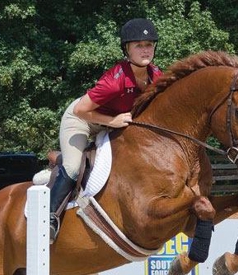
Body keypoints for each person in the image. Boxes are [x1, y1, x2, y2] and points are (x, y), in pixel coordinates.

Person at [49, 18, 163, 242]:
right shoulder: (115, 80)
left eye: (149, 44)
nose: (145, 49)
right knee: (72, 168)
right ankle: (49, 217)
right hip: (81, 119)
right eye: (138, 45)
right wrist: (112, 121)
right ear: (127, 49)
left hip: (114, 122)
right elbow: (82, 109)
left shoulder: (157, 76)